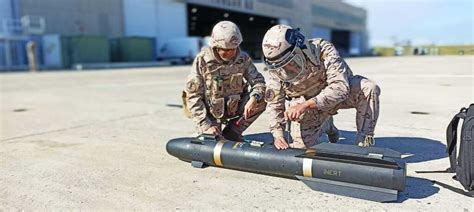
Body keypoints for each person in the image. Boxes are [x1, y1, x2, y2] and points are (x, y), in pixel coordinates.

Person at [262, 25, 380, 149]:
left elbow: (340, 88)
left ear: (300, 49)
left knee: (368, 88)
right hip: (308, 110)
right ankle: (326, 125)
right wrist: (278, 135)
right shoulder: (277, 69)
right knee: (303, 149)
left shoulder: (322, 50)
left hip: (334, 98)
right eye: (283, 66)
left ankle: (364, 141)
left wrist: (305, 105)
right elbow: (274, 104)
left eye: (291, 62)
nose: (288, 68)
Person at [183, 21, 266, 141]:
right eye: (225, 50)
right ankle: (208, 131)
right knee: (213, 141)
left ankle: (233, 131)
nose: (231, 53)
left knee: (264, 98)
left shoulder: (243, 59)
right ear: (215, 46)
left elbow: (259, 82)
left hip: (234, 106)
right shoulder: (202, 61)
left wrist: (254, 98)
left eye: (233, 48)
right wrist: (206, 125)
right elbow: (193, 96)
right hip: (210, 114)